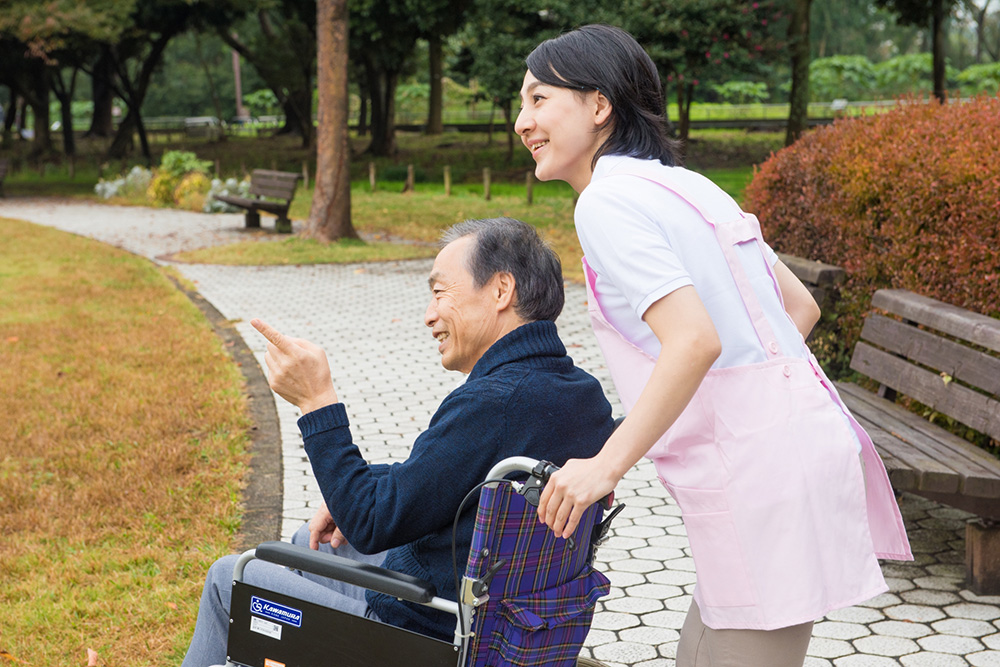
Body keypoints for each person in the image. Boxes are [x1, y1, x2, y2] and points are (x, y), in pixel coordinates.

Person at [513, 24, 912, 667]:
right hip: (788, 450)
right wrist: (724, 408)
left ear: (597, 105)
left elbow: (693, 341)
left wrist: (605, 466)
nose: (521, 122)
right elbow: (797, 308)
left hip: (760, 476)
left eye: (538, 99)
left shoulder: (607, 202)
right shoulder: (687, 185)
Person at [181, 217, 614, 666]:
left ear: (501, 291)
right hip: (508, 628)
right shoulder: (584, 396)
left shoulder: (491, 403)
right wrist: (352, 496)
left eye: (440, 292)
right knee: (305, 542)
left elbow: (371, 520)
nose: (429, 314)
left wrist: (316, 401)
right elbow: (443, 482)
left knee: (230, 578)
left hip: (421, 636)